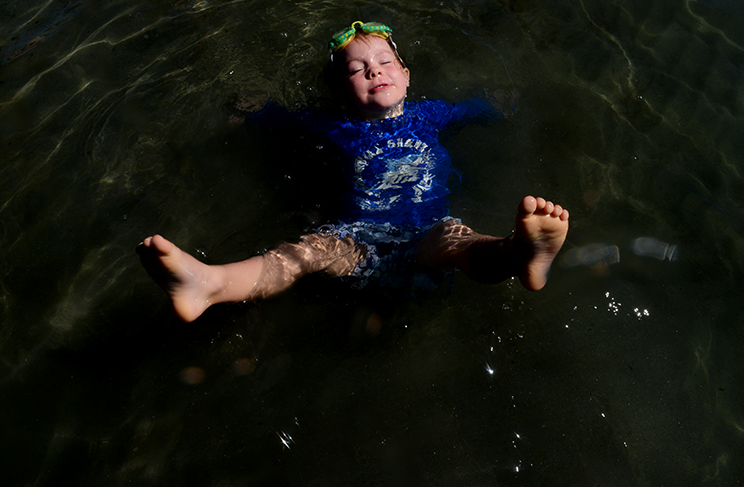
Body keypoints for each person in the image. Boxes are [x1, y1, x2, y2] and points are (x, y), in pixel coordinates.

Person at [138, 21, 569, 322]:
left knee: (459, 241)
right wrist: (255, 110)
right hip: (355, 241)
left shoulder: (432, 114)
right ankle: (210, 284)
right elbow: (284, 120)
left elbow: (472, 110)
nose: (374, 70)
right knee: (307, 251)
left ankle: (518, 254)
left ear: (404, 74)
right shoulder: (334, 125)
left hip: (425, 234)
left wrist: (494, 103)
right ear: (342, 93)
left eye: (384, 61)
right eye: (357, 70)